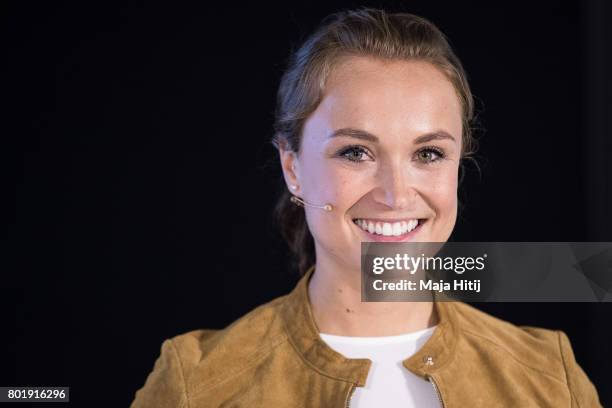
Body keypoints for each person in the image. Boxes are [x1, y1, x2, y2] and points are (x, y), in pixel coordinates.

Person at [130, 8, 602, 407]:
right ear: (292, 167)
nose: (395, 195)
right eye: (356, 152)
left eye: (428, 154)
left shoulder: (549, 377)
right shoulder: (197, 385)